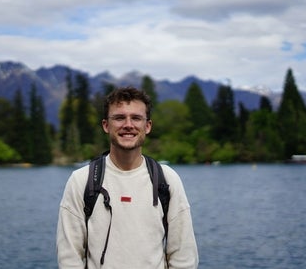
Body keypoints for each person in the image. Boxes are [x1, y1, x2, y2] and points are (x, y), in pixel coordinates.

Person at [56, 86, 199, 268]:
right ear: (106, 125)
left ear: (147, 126)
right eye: (119, 117)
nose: (128, 125)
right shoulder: (81, 180)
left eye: (136, 118)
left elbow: (183, 254)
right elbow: (70, 258)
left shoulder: (167, 179)